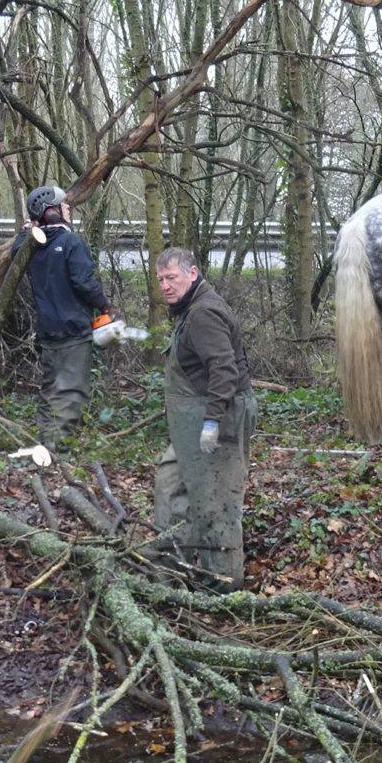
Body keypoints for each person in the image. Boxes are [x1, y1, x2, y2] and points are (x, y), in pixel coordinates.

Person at [151, 247, 257, 586]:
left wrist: (212, 423)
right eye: (161, 280)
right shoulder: (189, 310)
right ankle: (171, 572)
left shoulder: (203, 314)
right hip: (190, 427)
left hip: (216, 420)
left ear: (193, 273)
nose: (165, 285)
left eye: (172, 278)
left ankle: (223, 586)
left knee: (217, 502)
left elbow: (223, 370)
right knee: (170, 486)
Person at [24, 184, 112, 448]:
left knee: (50, 390)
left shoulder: (30, 246)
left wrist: (24, 232)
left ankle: (45, 442)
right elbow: (84, 282)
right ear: (51, 211)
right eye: (64, 205)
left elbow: (18, 247)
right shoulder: (71, 242)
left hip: (48, 332)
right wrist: (106, 307)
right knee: (72, 391)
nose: (68, 210)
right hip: (73, 332)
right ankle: (58, 451)